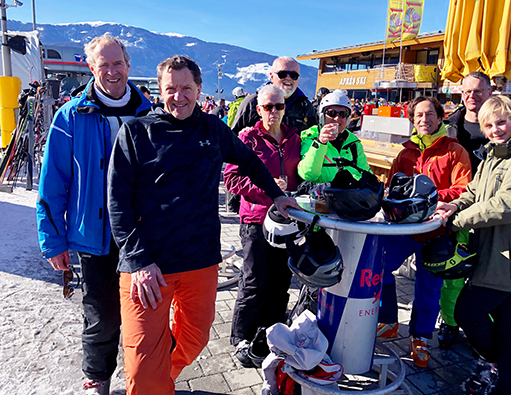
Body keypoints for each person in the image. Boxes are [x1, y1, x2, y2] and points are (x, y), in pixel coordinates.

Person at [107, 55, 299, 395]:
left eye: (186, 88)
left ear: (199, 89)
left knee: (195, 339)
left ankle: (158, 380)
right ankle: (151, 383)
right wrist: (138, 261)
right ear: (159, 91)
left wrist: (276, 195)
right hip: (147, 265)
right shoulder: (135, 132)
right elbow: (117, 203)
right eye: (170, 89)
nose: (178, 96)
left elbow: (249, 161)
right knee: (140, 360)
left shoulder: (212, 129)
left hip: (200, 259)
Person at [36, 34, 152, 395]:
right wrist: (53, 239)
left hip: (140, 234)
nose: (112, 71)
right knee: (101, 315)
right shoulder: (71, 115)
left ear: (129, 66)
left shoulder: (148, 114)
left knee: (144, 316)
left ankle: (145, 376)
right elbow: (53, 182)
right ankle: (97, 377)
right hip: (93, 235)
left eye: (118, 64)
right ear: (91, 68)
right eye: (104, 65)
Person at [435, 95, 511, 394]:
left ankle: (494, 364)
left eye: (501, 122)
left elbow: (508, 204)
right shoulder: (496, 153)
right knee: (508, 322)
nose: (496, 129)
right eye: (488, 125)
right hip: (494, 251)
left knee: (467, 312)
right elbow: (475, 191)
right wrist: (452, 207)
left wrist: (457, 221)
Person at [378, 96, 471, 368]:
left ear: (440, 118)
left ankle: (420, 337)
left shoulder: (454, 151)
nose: (424, 120)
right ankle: (389, 320)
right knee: (378, 265)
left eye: (429, 114)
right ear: (412, 120)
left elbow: (464, 188)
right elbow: (392, 186)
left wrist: (427, 197)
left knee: (428, 288)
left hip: (436, 230)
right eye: (418, 115)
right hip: (404, 229)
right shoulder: (406, 152)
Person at [223, 84, 302, 367]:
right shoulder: (248, 137)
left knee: (281, 281)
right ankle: (241, 337)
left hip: (287, 221)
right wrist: (269, 190)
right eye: (267, 107)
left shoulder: (296, 138)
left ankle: (272, 332)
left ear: (285, 108)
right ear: (258, 109)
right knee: (254, 280)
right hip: (256, 219)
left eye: (278, 106)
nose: (273, 112)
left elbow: (303, 174)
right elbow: (231, 180)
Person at [439, 71, 492, 350]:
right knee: (454, 272)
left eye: (479, 91)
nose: (473, 96)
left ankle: (482, 329)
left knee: (487, 275)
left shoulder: (498, 127)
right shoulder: (450, 125)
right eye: (468, 91)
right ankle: (449, 322)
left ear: (490, 93)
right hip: (457, 208)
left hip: (490, 211)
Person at [298, 89, 370, 183]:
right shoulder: (309, 137)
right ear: (322, 116)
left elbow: (366, 173)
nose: (337, 118)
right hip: (322, 195)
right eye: (331, 113)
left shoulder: (353, 143)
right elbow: (308, 174)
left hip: (349, 195)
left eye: (342, 114)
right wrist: (320, 143)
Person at [232, 56, 317, 134]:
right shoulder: (251, 103)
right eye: (282, 74)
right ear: (272, 77)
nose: (288, 78)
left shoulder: (306, 107)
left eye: (294, 75)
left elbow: (314, 139)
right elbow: (232, 140)